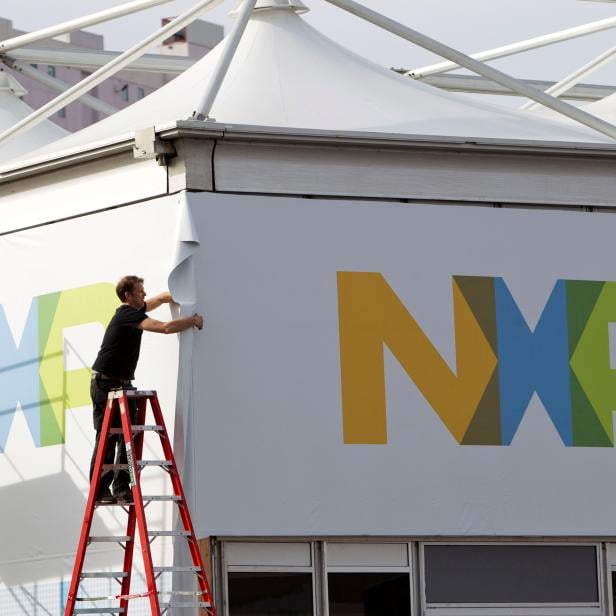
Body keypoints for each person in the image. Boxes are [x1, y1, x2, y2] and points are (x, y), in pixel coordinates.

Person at [89, 275, 203, 505]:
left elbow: (160, 298)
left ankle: (122, 487)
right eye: (140, 291)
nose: (144, 293)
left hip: (121, 384)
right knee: (108, 436)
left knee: (127, 437)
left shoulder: (135, 309)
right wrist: (193, 320)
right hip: (106, 384)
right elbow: (165, 327)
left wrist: (182, 296)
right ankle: (99, 489)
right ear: (127, 296)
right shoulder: (127, 314)